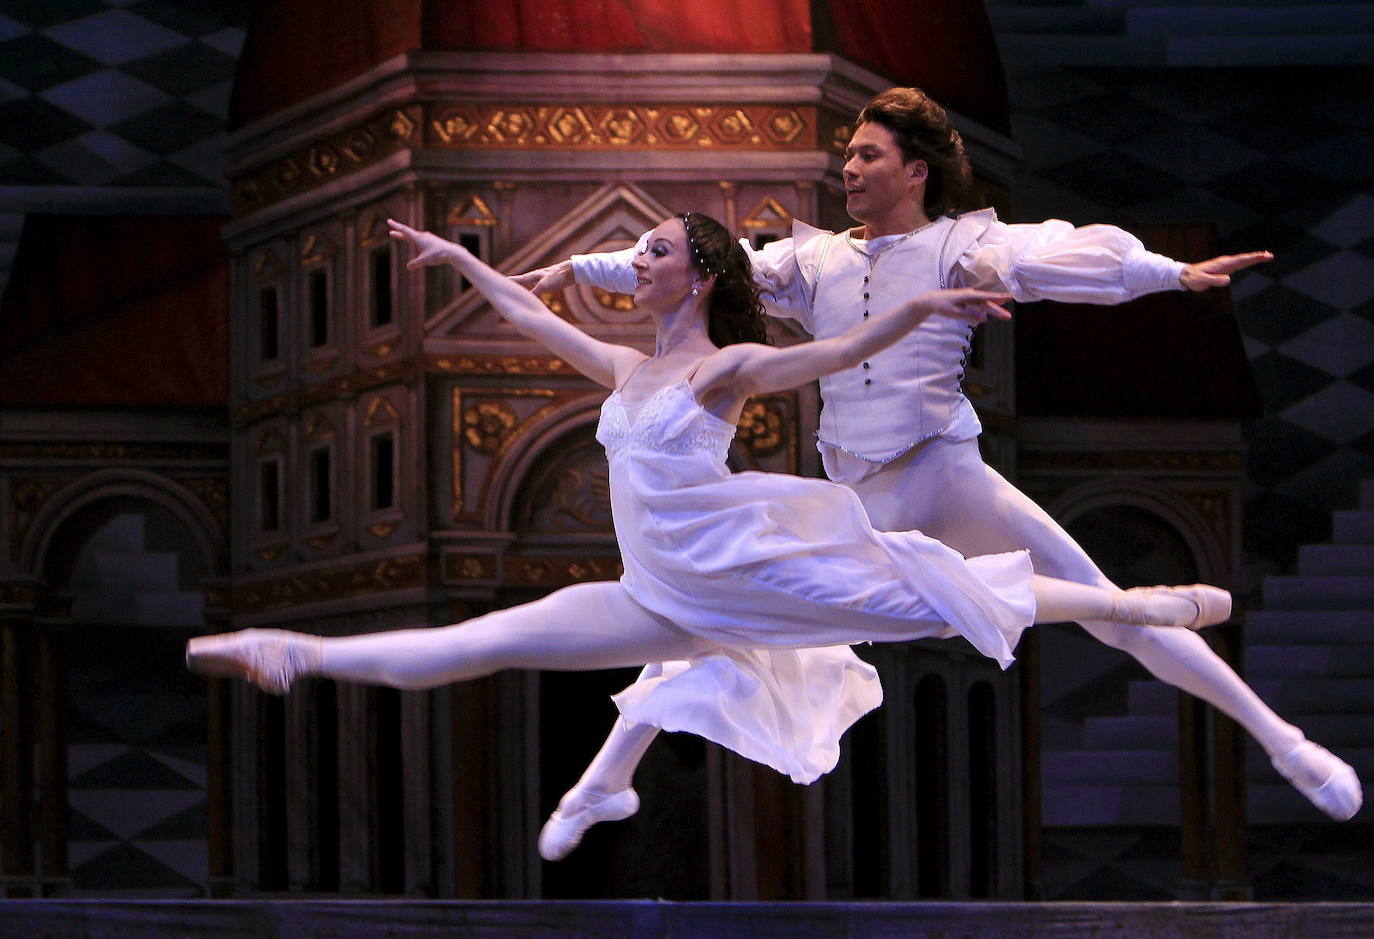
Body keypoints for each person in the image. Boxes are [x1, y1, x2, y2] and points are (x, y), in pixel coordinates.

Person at [187, 214, 1233, 863]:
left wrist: (928, 307)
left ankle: (1135, 605)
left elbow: (842, 348)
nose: (632, 265)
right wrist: (458, 254)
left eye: (653, 253)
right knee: (491, 638)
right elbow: (524, 313)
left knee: (940, 599)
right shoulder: (623, 370)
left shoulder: (725, 368)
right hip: (659, 594)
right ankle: (297, 654)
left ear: (696, 279)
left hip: (752, 571)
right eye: (637, 250)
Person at [519, 87, 1361, 860]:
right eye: (846, 154)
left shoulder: (966, 246)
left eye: (868, 155)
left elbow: (1065, 259)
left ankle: (1281, 738)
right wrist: (579, 268)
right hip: (859, 493)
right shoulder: (811, 264)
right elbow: (705, 262)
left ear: (915, 170)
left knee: (1111, 611)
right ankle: (603, 780)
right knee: (727, 611)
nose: (848, 167)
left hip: (948, 474)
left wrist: (1168, 274)